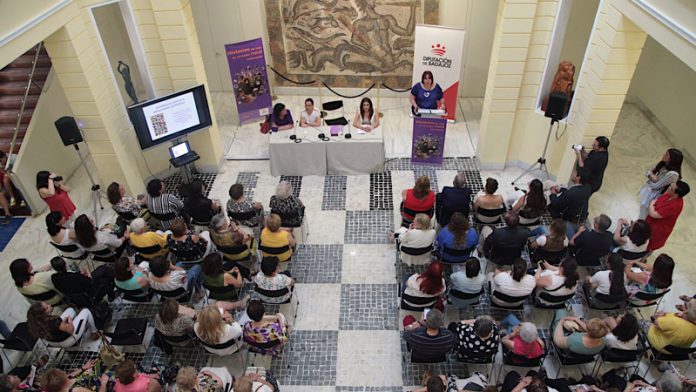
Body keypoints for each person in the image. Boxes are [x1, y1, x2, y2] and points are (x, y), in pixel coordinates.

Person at [50, 256, 114, 307]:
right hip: (89, 294)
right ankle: (115, 284)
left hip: (77, 298)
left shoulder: (54, 278)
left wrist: (80, 274)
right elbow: (90, 281)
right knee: (103, 274)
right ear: (65, 265)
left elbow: (73, 280)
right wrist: (87, 272)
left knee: (102, 271)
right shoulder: (74, 277)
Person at [26, 302, 96, 347]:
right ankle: (94, 333)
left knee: (70, 310)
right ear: (43, 314)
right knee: (86, 311)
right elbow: (71, 330)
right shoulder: (55, 321)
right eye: (47, 307)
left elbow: (54, 328)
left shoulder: (36, 324)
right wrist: (70, 321)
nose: (49, 305)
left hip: (53, 343)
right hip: (68, 341)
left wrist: (62, 323)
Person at [638, 148, 683, 219]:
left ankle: (639, 227)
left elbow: (655, 186)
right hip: (649, 192)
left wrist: (650, 177)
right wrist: (652, 177)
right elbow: (648, 171)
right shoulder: (663, 164)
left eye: (666, 155)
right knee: (642, 211)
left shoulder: (673, 174)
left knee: (645, 216)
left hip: (654, 197)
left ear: (672, 159)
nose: (663, 155)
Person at [646, 180, 689, 252]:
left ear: (676, 194)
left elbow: (653, 214)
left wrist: (651, 204)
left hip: (658, 229)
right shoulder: (670, 194)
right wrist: (653, 205)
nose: (668, 188)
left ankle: (642, 260)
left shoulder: (674, 205)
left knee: (649, 246)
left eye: (671, 189)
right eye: (670, 186)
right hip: (651, 222)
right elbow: (657, 200)